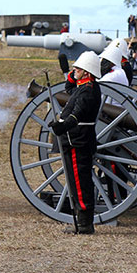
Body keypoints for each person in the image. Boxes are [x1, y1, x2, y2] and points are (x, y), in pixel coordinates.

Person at [49, 50, 102, 234]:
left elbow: (76, 114)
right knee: (75, 181)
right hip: (76, 138)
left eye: (78, 68)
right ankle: (82, 223)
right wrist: (72, 74)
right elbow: (70, 89)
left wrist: (62, 126)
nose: (74, 69)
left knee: (80, 183)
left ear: (87, 72)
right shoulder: (85, 86)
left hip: (77, 140)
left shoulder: (88, 91)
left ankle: (85, 225)